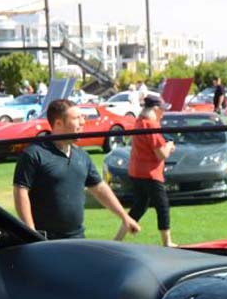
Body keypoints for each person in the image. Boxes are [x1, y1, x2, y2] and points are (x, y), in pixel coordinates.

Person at [13, 99, 140, 241]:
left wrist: (124, 216)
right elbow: (20, 192)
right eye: (76, 118)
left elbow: (99, 188)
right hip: (46, 241)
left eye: (82, 117)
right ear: (58, 123)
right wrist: (31, 233)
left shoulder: (82, 155)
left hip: (77, 238)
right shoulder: (34, 154)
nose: (82, 122)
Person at [127, 94, 177, 247]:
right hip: (150, 173)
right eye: (162, 109)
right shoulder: (151, 125)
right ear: (155, 109)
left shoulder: (139, 122)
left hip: (136, 171)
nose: (163, 113)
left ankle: (118, 238)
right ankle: (167, 242)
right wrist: (169, 146)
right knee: (162, 206)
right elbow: (161, 154)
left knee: (139, 206)